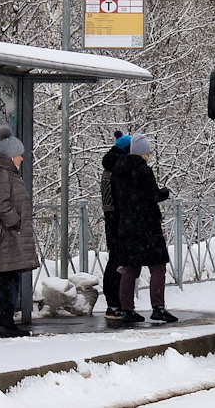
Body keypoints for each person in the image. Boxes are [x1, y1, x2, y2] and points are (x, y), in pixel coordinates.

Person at [110, 133, 178, 324]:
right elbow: (151, 196)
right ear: (142, 152)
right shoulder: (142, 170)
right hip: (146, 226)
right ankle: (158, 307)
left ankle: (127, 309)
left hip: (127, 225)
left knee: (130, 268)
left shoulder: (118, 171)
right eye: (147, 151)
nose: (149, 154)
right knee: (158, 266)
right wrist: (163, 193)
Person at [0, 124, 39, 338]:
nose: (21, 159)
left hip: (6, 237)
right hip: (4, 237)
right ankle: (3, 323)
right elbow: (0, 204)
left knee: (2, 279)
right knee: (3, 280)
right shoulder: (2, 174)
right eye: (19, 155)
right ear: (11, 155)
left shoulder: (4, 173)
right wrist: (15, 222)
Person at [100, 130, 131, 320]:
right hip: (119, 221)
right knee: (118, 262)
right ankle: (115, 302)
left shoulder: (109, 168)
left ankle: (113, 301)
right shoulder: (118, 170)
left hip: (112, 219)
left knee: (115, 261)